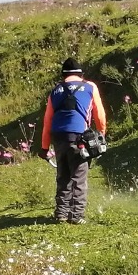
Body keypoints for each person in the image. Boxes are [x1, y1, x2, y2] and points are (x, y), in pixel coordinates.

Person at [39, 57, 107, 225]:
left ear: (63, 76)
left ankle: (61, 214)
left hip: (58, 137)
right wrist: (102, 135)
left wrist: (44, 147)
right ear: (81, 74)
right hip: (79, 137)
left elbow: (47, 121)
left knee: (63, 176)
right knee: (79, 177)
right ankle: (76, 216)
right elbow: (100, 116)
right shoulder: (90, 87)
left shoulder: (55, 91)